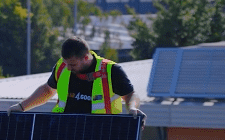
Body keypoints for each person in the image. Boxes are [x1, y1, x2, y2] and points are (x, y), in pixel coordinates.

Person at [8, 36, 144, 125]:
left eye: (72, 64)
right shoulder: (62, 66)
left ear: (86, 58)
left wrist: (132, 107)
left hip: (101, 135)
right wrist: (22, 106)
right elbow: (47, 90)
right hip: (63, 132)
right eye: (65, 63)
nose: (68, 67)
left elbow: (131, 95)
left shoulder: (111, 71)